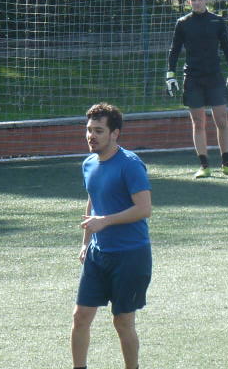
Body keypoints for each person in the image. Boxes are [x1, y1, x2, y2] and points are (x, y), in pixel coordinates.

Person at [71, 103, 152, 369]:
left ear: (115, 133)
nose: (91, 136)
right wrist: (85, 243)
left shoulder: (130, 165)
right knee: (80, 317)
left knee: (123, 322)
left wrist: (105, 221)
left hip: (130, 255)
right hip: (98, 254)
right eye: (88, 130)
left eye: (98, 131)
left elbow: (144, 209)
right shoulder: (88, 164)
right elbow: (92, 199)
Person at [166, 0, 228, 178]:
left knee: (222, 120)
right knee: (198, 122)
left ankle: (226, 163)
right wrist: (170, 74)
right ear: (188, 1)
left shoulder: (217, 21)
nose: (197, 2)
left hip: (214, 77)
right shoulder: (183, 23)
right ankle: (204, 165)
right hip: (193, 78)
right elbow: (174, 50)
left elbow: (227, 47)